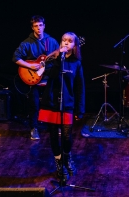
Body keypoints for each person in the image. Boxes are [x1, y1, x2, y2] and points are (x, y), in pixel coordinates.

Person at [38, 32, 85, 181]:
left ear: (74, 45)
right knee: (53, 135)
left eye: (69, 41)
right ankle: (58, 162)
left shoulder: (77, 63)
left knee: (66, 136)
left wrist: (80, 108)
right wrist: (59, 58)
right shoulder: (53, 60)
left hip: (68, 104)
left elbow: (80, 87)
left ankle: (67, 157)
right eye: (64, 40)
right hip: (52, 103)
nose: (66, 43)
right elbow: (51, 75)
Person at [12, 15, 59, 140]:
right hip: (33, 78)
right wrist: (30, 66)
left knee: (51, 101)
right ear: (32, 27)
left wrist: (62, 53)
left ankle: (53, 126)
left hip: (48, 76)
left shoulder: (52, 41)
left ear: (44, 26)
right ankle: (34, 128)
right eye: (36, 26)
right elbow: (15, 58)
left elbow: (57, 59)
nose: (39, 28)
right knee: (34, 103)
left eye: (40, 25)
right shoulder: (27, 43)